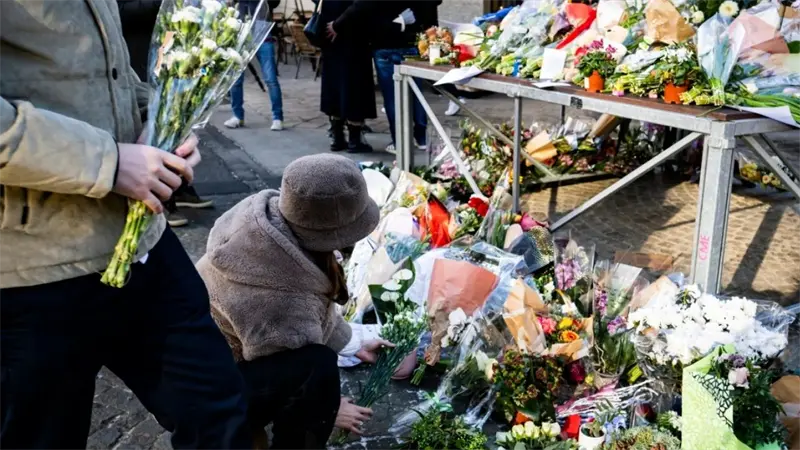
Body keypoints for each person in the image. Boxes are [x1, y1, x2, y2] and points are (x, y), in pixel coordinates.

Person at [0, 2, 252, 449]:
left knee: (217, 410)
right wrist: (108, 162)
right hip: (34, 262)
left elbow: (108, 69)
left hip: (141, 244)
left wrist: (162, 123)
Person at [196, 154, 390, 449]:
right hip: (205, 392)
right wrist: (331, 407)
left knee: (315, 365)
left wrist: (354, 343)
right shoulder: (278, 300)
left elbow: (315, 312)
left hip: (210, 359)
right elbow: (292, 363)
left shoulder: (271, 229)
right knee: (318, 372)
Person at [117, 0, 215, 228]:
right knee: (156, 136)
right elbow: (121, 12)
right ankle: (163, 204)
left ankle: (181, 190)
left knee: (176, 128)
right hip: (138, 55)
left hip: (167, 54)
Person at [319, 0, 391, 153]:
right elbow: (361, 5)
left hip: (332, 36)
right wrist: (337, 24)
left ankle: (338, 137)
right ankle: (354, 140)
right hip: (351, 38)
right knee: (353, 88)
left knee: (335, 87)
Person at [372, 0, 438, 154]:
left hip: (385, 44)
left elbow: (369, 12)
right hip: (410, 41)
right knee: (415, 92)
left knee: (392, 97)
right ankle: (421, 137)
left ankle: (399, 142)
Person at [224, 0, 285, 132]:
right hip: (240, 29)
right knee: (236, 78)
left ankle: (277, 117)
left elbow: (274, 3)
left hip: (261, 28)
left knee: (270, 79)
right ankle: (237, 116)